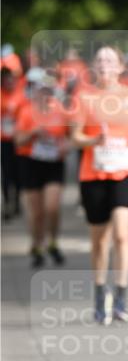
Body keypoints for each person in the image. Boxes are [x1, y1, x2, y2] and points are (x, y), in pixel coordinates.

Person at [70, 46, 128, 323]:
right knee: (99, 241)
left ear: (119, 67)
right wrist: (93, 141)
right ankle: (98, 295)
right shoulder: (84, 97)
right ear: (95, 67)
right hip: (94, 174)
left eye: (110, 60)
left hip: (126, 171)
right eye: (100, 60)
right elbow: (76, 136)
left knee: (121, 234)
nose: (105, 64)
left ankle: (120, 297)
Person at [14, 78, 70, 266]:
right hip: (31, 162)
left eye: (48, 90)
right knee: (36, 212)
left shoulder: (60, 111)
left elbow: (71, 137)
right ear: (34, 91)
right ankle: (37, 245)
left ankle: (53, 242)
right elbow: (18, 141)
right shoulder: (26, 111)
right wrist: (33, 133)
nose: (45, 94)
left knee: (52, 207)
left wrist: (65, 146)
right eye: (41, 90)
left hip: (54, 163)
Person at [1, 66, 24, 220]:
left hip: (19, 141)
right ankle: (8, 202)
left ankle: (17, 202)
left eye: (11, 81)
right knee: (6, 173)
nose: (9, 84)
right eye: (6, 81)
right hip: (4, 141)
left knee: (18, 173)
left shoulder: (20, 96)